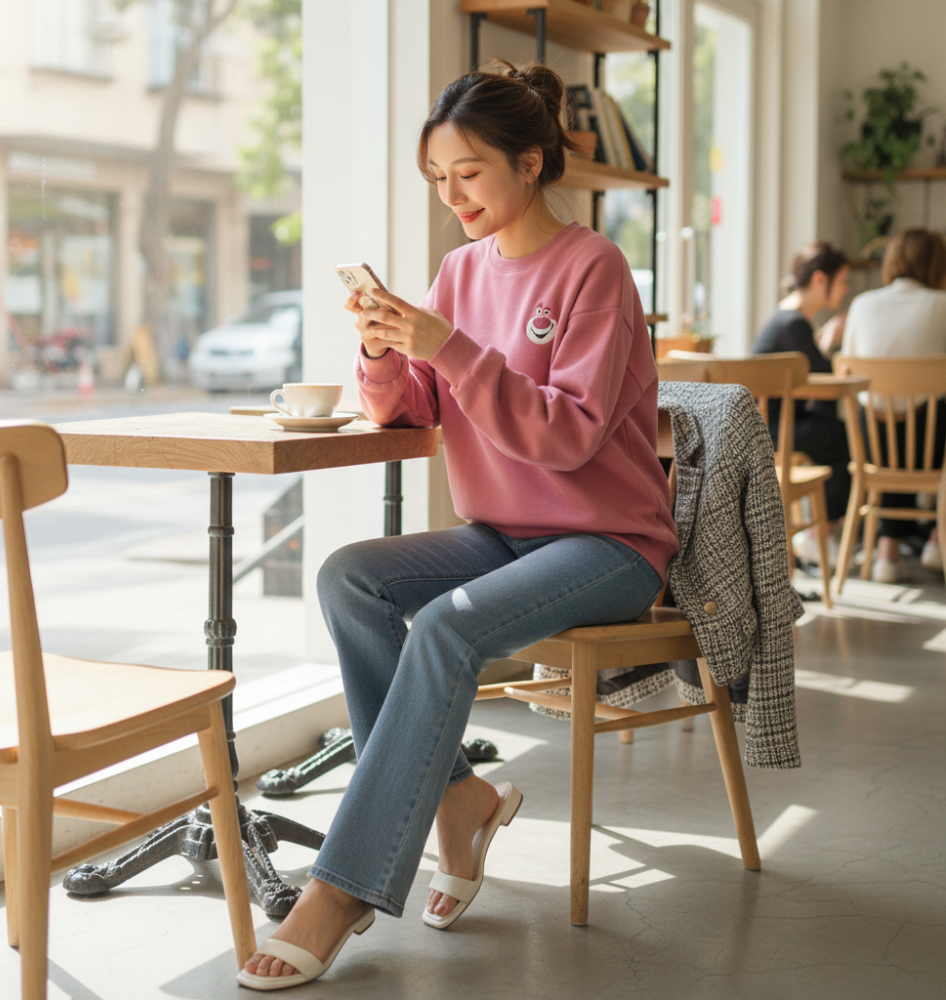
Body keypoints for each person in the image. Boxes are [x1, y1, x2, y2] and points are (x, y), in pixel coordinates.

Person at [237, 61, 679, 990]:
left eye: (469, 173)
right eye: (438, 178)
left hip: (608, 544)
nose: (452, 196)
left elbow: (568, 438)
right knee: (349, 579)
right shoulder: (458, 272)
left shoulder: (594, 268)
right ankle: (460, 803)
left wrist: (451, 346)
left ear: (530, 162)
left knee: (445, 624)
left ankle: (344, 889)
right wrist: (381, 350)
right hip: (501, 534)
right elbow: (413, 411)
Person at [841, 227, 946, 583]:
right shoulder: (942, 304)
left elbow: (849, 375)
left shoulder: (862, 304)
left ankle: (887, 550)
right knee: (926, 411)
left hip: (872, 445)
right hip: (930, 448)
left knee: (889, 418)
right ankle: (937, 539)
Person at [751, 240, 852, 565]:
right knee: (850, 438)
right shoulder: (793, 323)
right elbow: (823, 383)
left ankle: (817, 531)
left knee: (837, 434)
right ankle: (818, 532)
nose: (846, 289)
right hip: (775, 432)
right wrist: (829, 346)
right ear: (820, 279)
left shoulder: (786, 320)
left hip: (771, 427)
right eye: (842, 281)